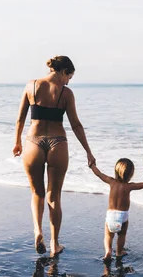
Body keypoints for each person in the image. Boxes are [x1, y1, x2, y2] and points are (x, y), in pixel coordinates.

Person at [13, 55, 96, 257]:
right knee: (54, 196)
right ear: (63, 72)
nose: (68, 81)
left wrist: (17, 142)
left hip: (33, 141)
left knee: (37, 193)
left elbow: (20, 118)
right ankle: (54, 243)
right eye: (69, 77)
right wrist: (88, 151)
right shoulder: (66, 93)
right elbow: (75, 124)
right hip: (57, 142)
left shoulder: (31, 85)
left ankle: (37, 231)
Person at [90, 158, 143, 262]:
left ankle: (108, 252)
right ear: (131, 174)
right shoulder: (129, 186)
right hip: (123, 216)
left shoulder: (111, 181)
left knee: (108, 236)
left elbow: (99, 174)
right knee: (122, 235)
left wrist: (92, 166)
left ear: (116, 171)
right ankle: (119, 252)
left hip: (110, 215)